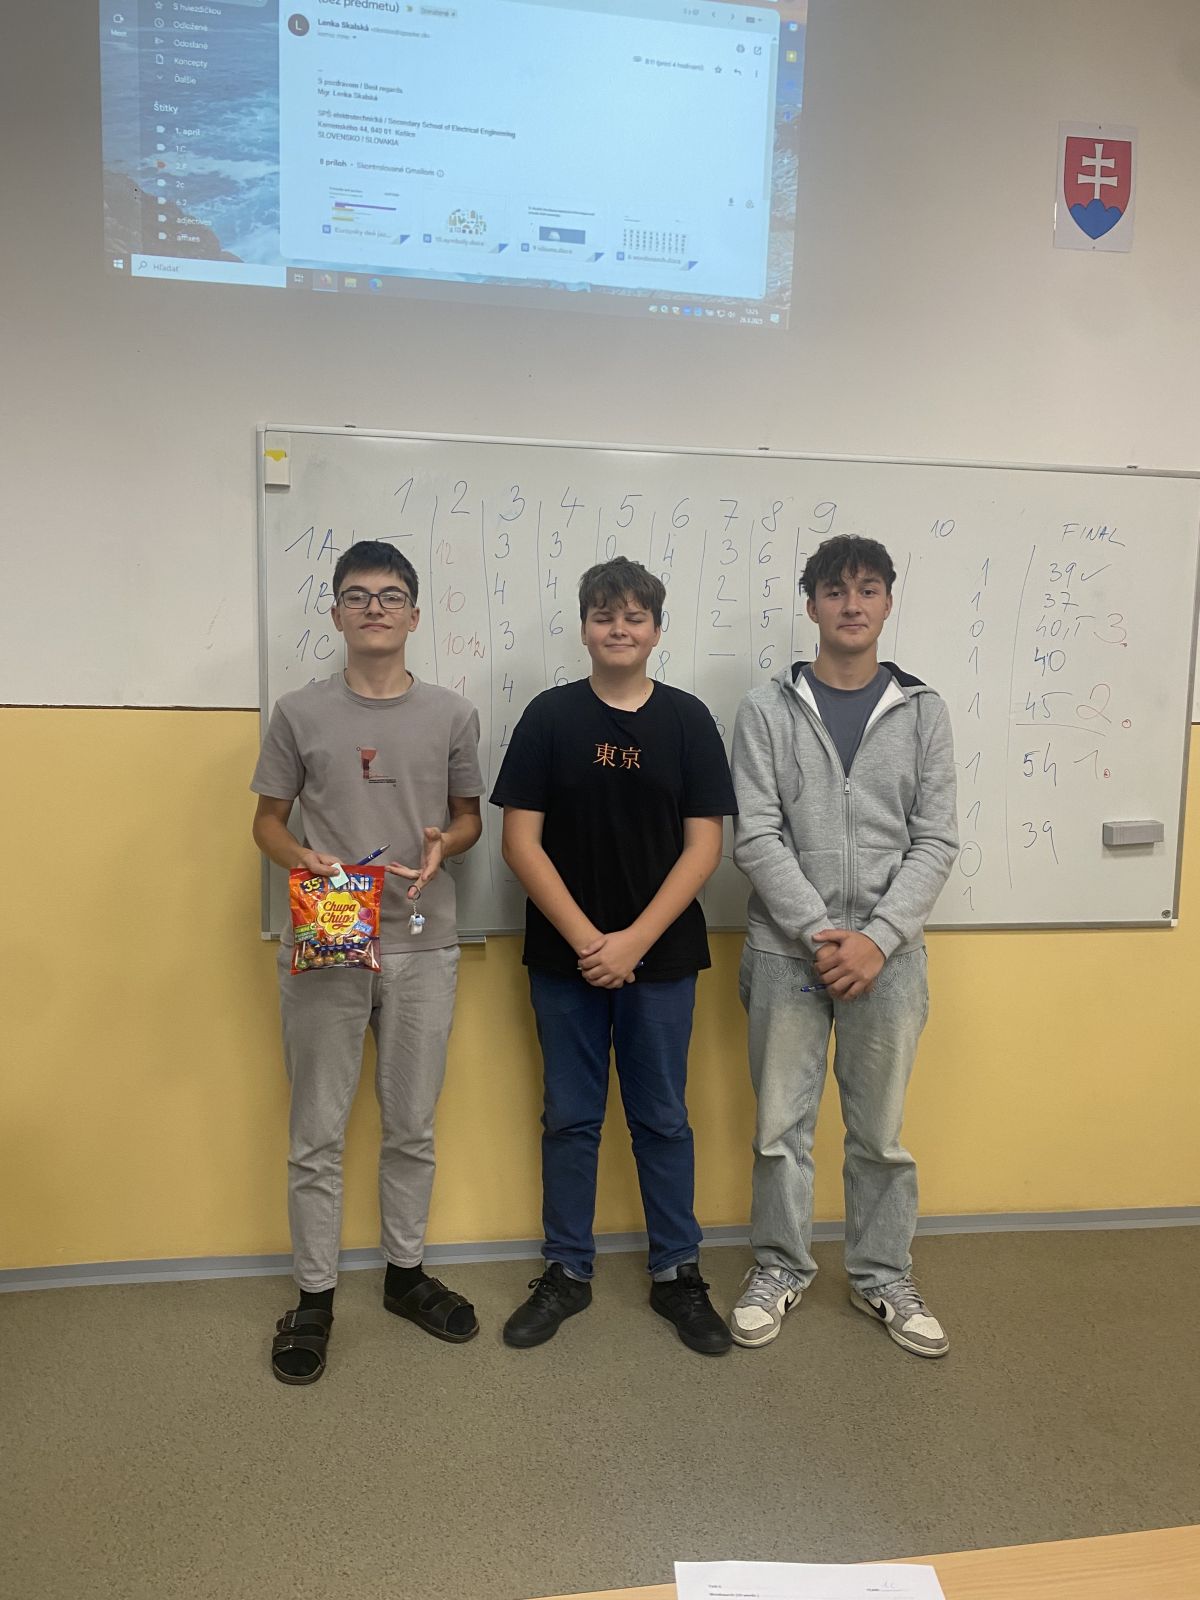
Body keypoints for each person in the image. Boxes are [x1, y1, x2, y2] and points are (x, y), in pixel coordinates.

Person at [491, 558, 737, 1356]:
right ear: (585, 627)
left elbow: (704, 847)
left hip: (660, 959)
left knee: (662, 1118)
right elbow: (520, 842)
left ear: (657, 630)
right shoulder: (549, 716)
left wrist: (632, 941)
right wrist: (588, 941)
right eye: (604, 615)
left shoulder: (689, 720)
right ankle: (567, 1269)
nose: (619, 628)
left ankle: (677, 1273)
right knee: (569, 1118)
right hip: (565, 961)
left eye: (635, 616)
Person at [251, 539, 484, 1384]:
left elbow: (469, 817)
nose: (374, 608)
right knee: (315, 1128)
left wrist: (447, 843)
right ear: (338, 613)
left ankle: (404, 1275)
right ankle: (314, 1295)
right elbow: (267, 822)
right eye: (358, 595)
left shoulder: (453, 713)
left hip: (423, 936)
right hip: (331, 924)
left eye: (390, 596)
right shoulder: (298, 712)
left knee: (411, 1123)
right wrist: (300, 858)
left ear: (414, 615)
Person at [729, 534, 958, 1357]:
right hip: (787, 954)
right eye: (835, 590)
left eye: (867, 590)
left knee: (880, 1135)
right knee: (779, 1131)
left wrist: (878, 941)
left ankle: (881, 1275)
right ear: (812, 604)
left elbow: (936, 840)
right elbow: (755, 835)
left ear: (888, 602)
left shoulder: (924, 710)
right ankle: (780, 1267)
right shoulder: (766, 709)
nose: (851, 605)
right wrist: (826, 936)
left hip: (889, 961)